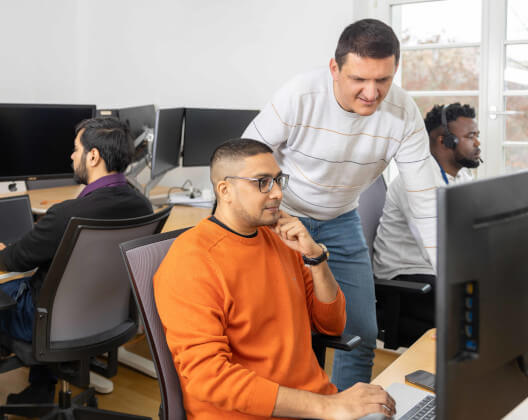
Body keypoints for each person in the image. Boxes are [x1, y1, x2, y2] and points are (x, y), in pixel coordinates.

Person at [242, 18, 441, 390]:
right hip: (284, 216)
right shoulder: (300, 95)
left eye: (383, 80)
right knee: (281, 335)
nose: (371, 92)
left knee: (362, 334)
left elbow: (425, 204)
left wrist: (454, 279)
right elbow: (245, 161)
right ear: (335, 68)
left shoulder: (403, 114)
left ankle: (349, 411)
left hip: (341, 218)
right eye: (359, 79)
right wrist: (271, 215)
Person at [154, 139, 396, 420]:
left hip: (316, 405)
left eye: (278, 180)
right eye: (263, 182)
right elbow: (209, 378)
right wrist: (328, 407)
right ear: (225, 190)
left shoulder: (282, 238)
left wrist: (315, 258)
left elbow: (332, 325)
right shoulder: (192, 261)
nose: (278, 193)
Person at [0, 117, 153, 420]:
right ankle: (40, 389)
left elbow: (16, 260)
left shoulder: (66, 214)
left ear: (93, 156)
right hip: (105, 317)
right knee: (51, 283)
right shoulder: (142, 206)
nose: (71, 156)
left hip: (46, 322)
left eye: (76, 149)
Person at [372, 103, 481, 341]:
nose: (477, 143)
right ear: (445, 141)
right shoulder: (416, 183)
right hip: (406, 276)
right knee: (480, 311)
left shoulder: (461, 175)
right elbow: (434, 246)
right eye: (470, 136)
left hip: (436, 268)